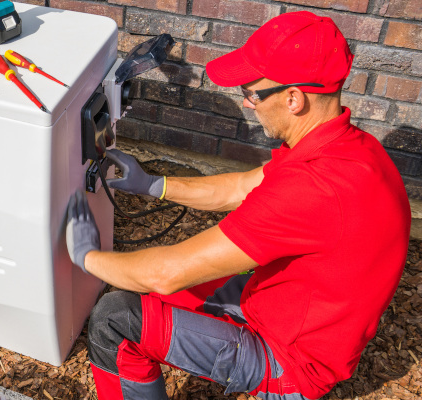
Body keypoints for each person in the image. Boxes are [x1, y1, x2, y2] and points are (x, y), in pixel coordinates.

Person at [65, 11, 411, 400]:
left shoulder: (312, 188)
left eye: (252, 93)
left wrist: (84, 256)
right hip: (298, 311)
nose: (248, 105)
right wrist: (154, 184)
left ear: (294, 98)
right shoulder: (350, 148)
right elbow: (241, 186)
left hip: (292, 364)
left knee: (114, 319)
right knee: (162, 290)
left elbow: (165, 273)